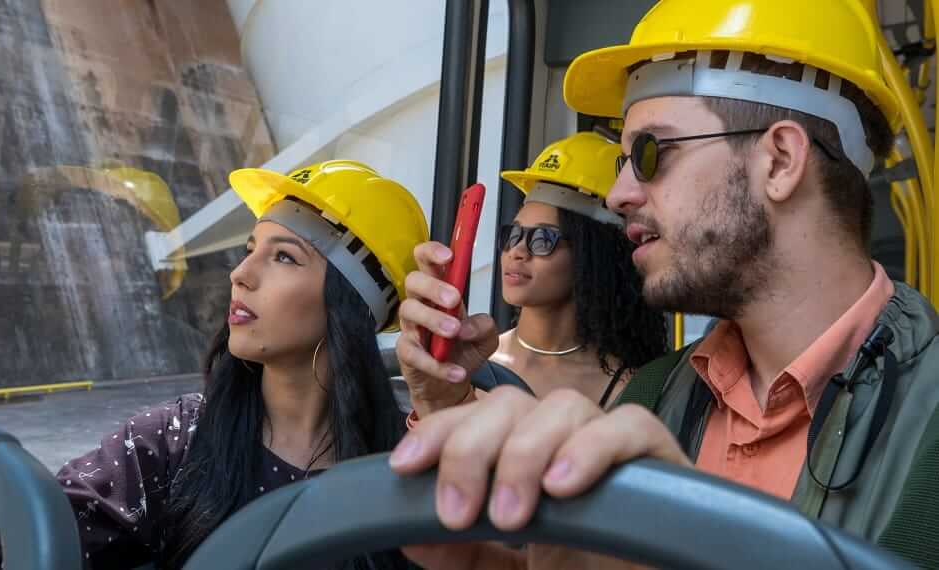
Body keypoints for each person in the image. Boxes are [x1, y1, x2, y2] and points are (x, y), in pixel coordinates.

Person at [389, 1, 939, 568]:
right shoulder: (656, 394)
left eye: (651, 155)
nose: (618, 193)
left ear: (779, 161)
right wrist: (448, 416)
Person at [0, 160, 429, 569]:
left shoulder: (414, 462)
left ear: (352, 305)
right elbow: (27, 532)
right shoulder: (178, 443)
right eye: (248, 250)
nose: (240, 274)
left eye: (284, 258)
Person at [402, 132, 666, 427]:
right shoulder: (465, 361)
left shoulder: (633, 389)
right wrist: (433, 403)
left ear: (595, 257)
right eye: (512, 234)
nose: (517, 250)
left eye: (543, 239)